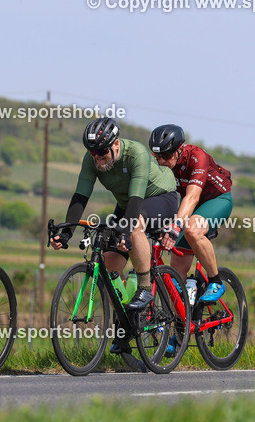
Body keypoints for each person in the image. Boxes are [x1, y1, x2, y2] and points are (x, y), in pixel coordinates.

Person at [49, 117, 179, 353]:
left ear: (116, 144)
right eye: (92, 152)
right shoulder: (92, 160)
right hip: (128, 202)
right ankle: (126, 325)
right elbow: (80, 196)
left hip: (160, 197)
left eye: (101, 151)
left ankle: (144, 288)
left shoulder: (136, 153)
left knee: (134, 226)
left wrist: (126, 232)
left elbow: (137, 199)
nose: (97, 156)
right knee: (109, 263)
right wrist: (66, 233)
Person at [149, 124, 233, 303]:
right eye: (157, 156)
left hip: (216, 200)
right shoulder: (161, 165)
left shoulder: (197, 156)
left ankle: (216, 281)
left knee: (192, 229)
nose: (162, 161)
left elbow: (193, 197)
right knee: (176, 279)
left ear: (180, 149)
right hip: (189, 204)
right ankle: (183, 324)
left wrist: (176, 225)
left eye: (167, 156)